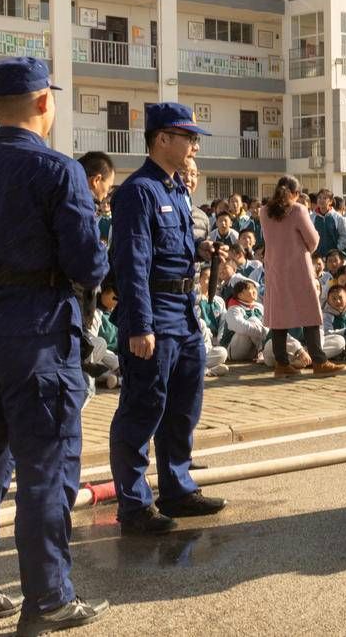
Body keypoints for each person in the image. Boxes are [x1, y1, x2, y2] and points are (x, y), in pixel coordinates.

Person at [0, 56, 111, 632]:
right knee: (45, 468)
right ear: (44, 103)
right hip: (37, 332)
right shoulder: (58, 170)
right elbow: (87, 265)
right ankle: (48, 598)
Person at [109, 102, 228, 537]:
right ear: (162, 139)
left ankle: (177, 487)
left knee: (183, 407)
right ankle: (135, 504)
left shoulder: (176, 189)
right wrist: (140, 325)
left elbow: (170, 247)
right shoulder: (138, 191)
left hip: (184, 313)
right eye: (188, 137)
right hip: (154, 314)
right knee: (143, 408)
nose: (194, 145)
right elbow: (132, 262)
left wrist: (199, 252)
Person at [260, 176, 345, 378]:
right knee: (310, 313)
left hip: (274, 268)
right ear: (296, 193)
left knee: (279, 317)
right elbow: (313, 240)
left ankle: (281, 363)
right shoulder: (298, 209)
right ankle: (319, 360)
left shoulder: (264, 211)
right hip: (297, 267)